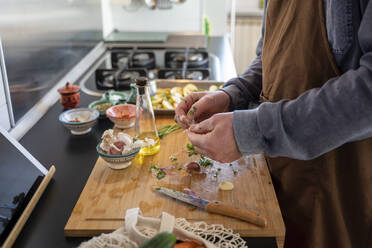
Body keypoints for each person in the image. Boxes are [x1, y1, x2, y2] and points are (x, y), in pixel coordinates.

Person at [175, 1, 372, 247]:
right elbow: (269, 59)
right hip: (280, 175)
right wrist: (232, 95)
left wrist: (253, 130)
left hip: (339, 184)